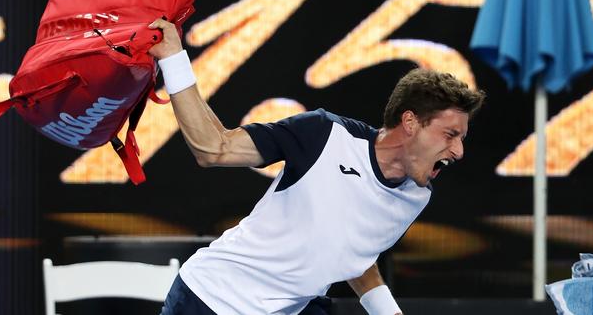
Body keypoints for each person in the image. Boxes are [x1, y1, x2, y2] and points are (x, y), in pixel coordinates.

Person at [148, 18, 486, 315]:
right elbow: (213, 148)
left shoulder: (417, 195)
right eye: (450, 135)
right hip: (212, 300)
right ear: (410, 123)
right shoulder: (324, 134)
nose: (458, 151)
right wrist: (174, 59)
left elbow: (352, 250)